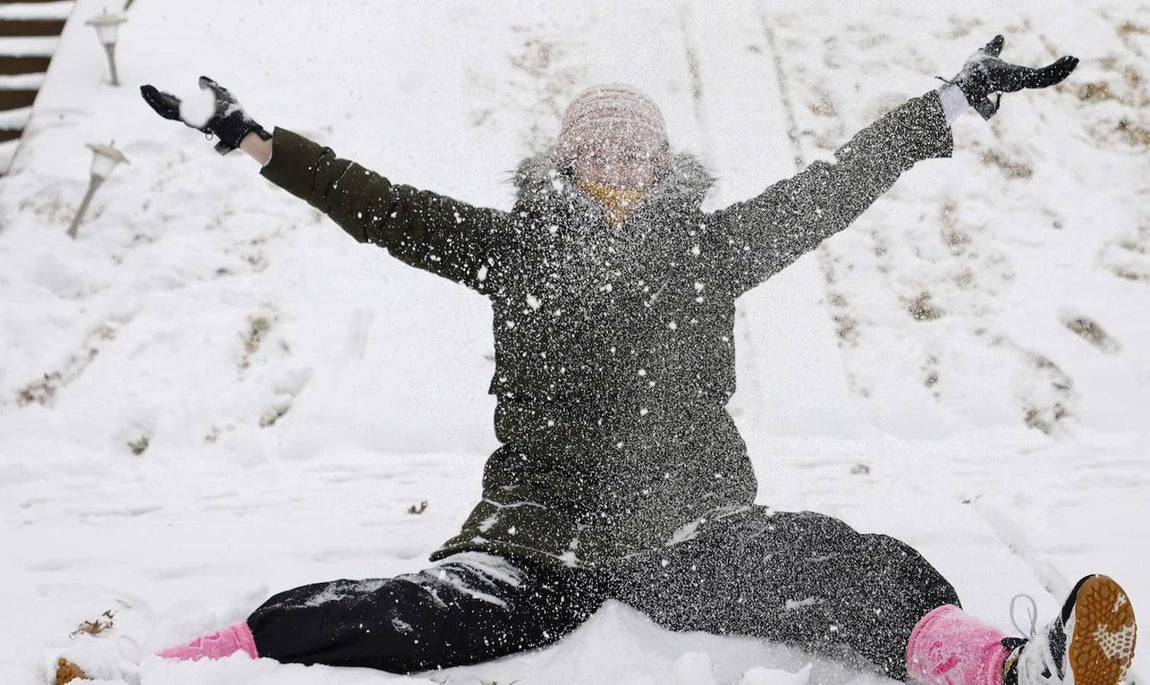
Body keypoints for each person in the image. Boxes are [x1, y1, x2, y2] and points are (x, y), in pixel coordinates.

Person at [58, 35, 1137, 685]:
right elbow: (374, 205)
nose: (619, 156)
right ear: (564, 159)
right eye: (597, 143)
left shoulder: (712, 248)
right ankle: (174, 661)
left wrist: (940, 105)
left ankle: (1002, 666)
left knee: (846, 562)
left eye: (638, 144)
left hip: (694, 525)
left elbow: (831, 187)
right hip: (535, 535)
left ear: (665, 161)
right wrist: (257, 140)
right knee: (410, 619)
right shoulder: (506, 245)